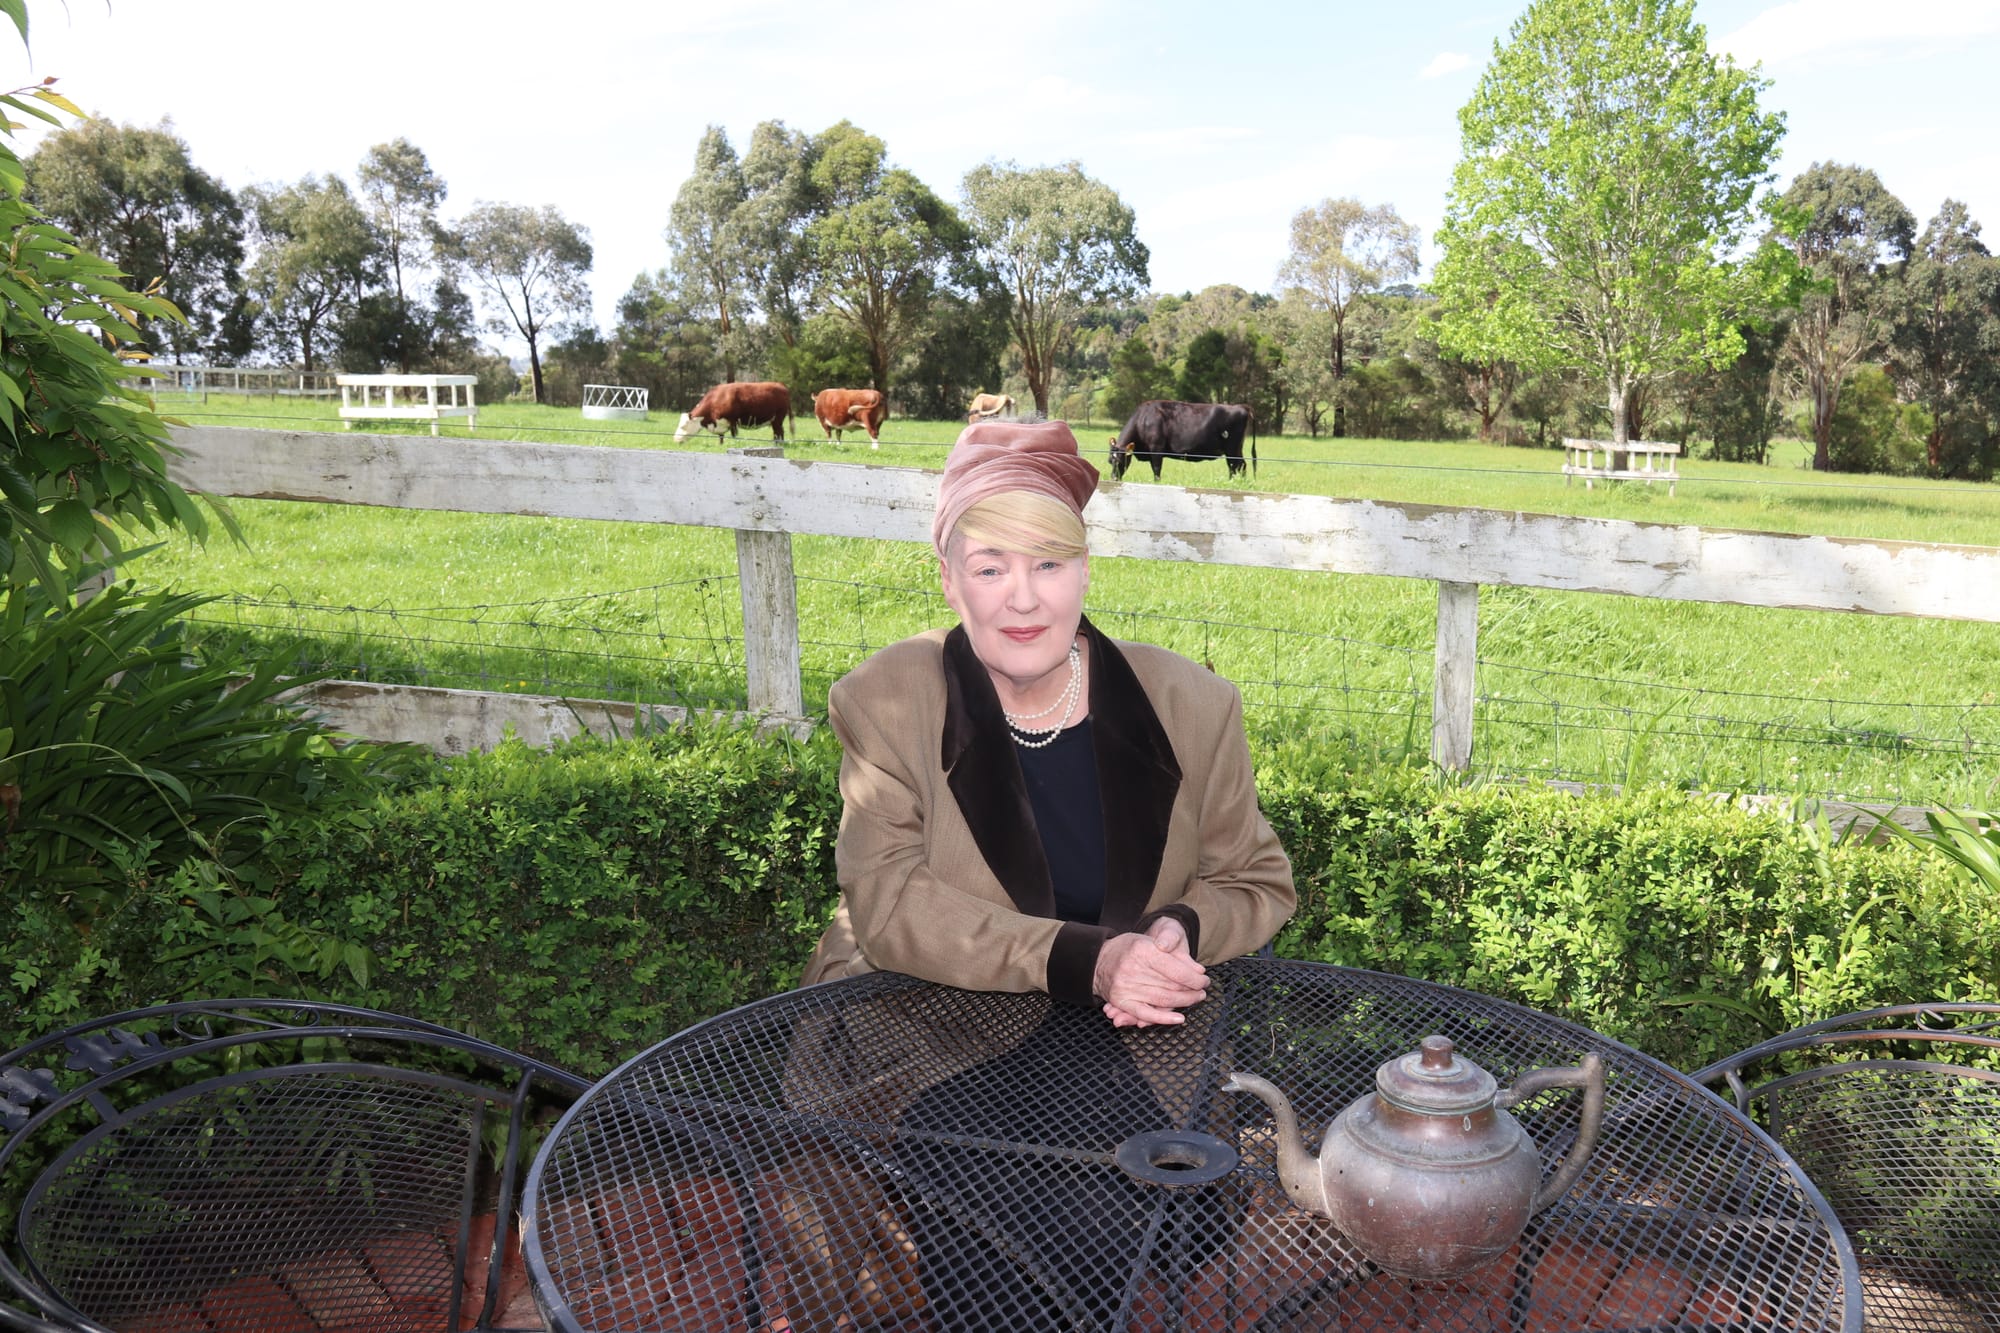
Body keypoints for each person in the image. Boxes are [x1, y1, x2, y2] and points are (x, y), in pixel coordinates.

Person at [801, 418, 1294, 1027]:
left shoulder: (1193, 703)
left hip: (1137, 1040)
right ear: (949, 581)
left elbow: (1253, 879)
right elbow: (891, 904)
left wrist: (1182, 927)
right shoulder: (885, 700)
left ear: (1085, 569)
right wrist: (1086, 961)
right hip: (923, 1035)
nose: (1025, 599)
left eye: (1049, 564)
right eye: (989, 569)